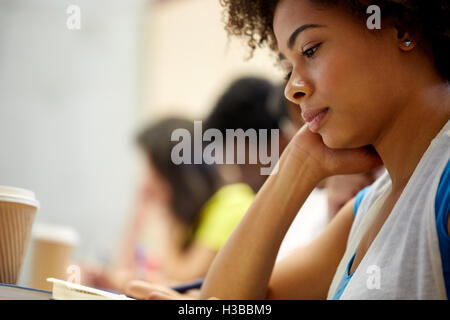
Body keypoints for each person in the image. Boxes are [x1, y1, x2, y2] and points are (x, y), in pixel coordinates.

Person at [126, 0, 449, 299]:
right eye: (287, 68)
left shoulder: (441, 183)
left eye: (310, 50)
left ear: (403, 28)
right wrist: (298, 165)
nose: (293, 88)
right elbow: (228, 300)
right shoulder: (372, 205)